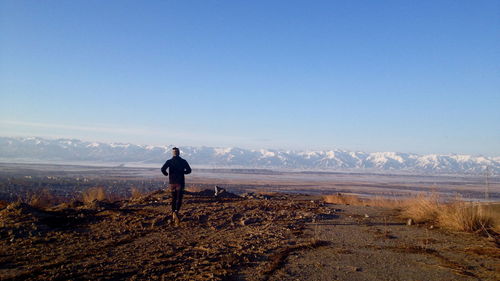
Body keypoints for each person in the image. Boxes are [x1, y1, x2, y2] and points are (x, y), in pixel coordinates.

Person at [161, 147, 191, 226]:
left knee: (173, 198)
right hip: (180, 182)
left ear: (173, 153)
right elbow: (189, 170)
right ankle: (176, 211)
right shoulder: (183, 161)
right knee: (179, 198)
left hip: (172, 183)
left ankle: (173, 212)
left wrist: (166, 174)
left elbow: (162, 169)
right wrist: (183, 172)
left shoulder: (169, 161)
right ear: (179, 153)